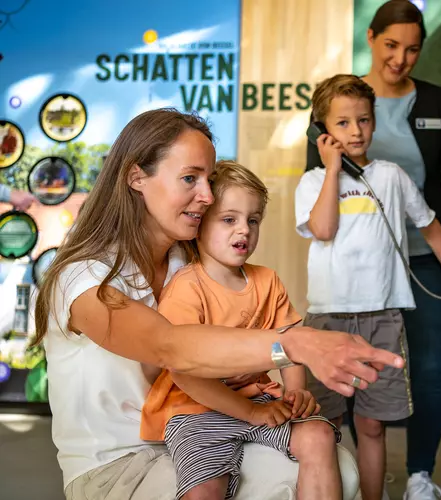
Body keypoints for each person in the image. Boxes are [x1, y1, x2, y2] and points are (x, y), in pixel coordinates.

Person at [32, 107, 406, 500]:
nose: (207, 196)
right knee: (283, 483)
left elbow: (228, 341)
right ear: (136, 176)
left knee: (339, 465)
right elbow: (169, 345)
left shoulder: (188, 262)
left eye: (209, 180)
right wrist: (292, 345)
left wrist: (270, 379)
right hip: (119, 465)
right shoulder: (83, 277)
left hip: (205, 423)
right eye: (190, 178)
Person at [304, 3, 441, 499]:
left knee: (427, 371)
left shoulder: (438, 102)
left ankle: (421, 475)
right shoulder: (338, 102)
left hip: (426, 261)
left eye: (413, 49)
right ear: (372, 37)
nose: (401, 59)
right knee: (356, 380)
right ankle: (359, 474)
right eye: (391, 46)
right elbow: (316, 187)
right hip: (361, 271)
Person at [295, 74, 441, 500]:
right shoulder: (312, 182)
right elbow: (322, 228)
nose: (356, 131)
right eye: (342, 123)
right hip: (329, 317)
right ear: (323, 130)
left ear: (374, 122)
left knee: (372, 424)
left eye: (364, 120)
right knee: (324, 424)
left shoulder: (392, 176)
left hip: (382, 315)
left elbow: (428, 222)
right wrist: (331, 170)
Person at [139, 159, 343, 499]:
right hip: (195, 410)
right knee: (205, 487)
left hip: (259, 398)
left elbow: (290, 343)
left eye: (253, 220)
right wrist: (251, 412)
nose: (244, 230)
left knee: (319, 435)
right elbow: (183, 372)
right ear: (200, 225)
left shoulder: (267, 280)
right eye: (229, 219)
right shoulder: (187, 287)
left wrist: (296, 392)